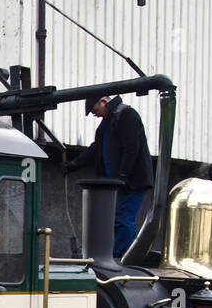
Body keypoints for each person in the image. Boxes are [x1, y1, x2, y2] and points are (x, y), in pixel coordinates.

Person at [65, 94, 154, 258]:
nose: (95, 115)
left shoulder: (127, 115)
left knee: (122, 218)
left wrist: (123, 176)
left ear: (103, 101)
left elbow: (132, 147)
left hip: (131, 182)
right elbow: (96, 148)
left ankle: (124, 257)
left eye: (95, 110)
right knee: (114, 219)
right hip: (114, 183)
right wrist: (75, 164)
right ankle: (114, 255)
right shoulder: (106, 124)